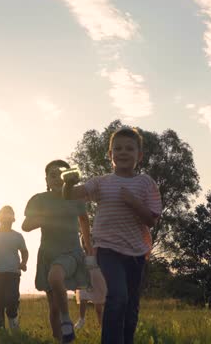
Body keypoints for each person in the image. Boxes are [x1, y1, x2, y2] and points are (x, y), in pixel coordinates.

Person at [63, 127, 161, 344]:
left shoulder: (146, 183)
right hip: (107, 250)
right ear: (110, 155)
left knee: (131, 304)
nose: (123, 152)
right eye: (117, 148)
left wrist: (134, 202)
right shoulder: (101, 182)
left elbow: (152, 220)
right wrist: (67, 182)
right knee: (117, 296)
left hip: (136, 252)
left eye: (129, 148)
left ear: (139, 155)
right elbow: (72, 194)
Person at [22, 159, 91, 343]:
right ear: (47, 179)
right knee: (53, 308)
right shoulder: (39, 200)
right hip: (48, 254)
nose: (56, 178)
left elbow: (84, 221)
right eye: (52, 175)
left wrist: (89, 249)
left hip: (70, 252)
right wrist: (45, 217)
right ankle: (60, 339)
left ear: (67, 177)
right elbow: (26, 225)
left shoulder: (76, 198)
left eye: (61, 174)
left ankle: (67, 321)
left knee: (55, 277)